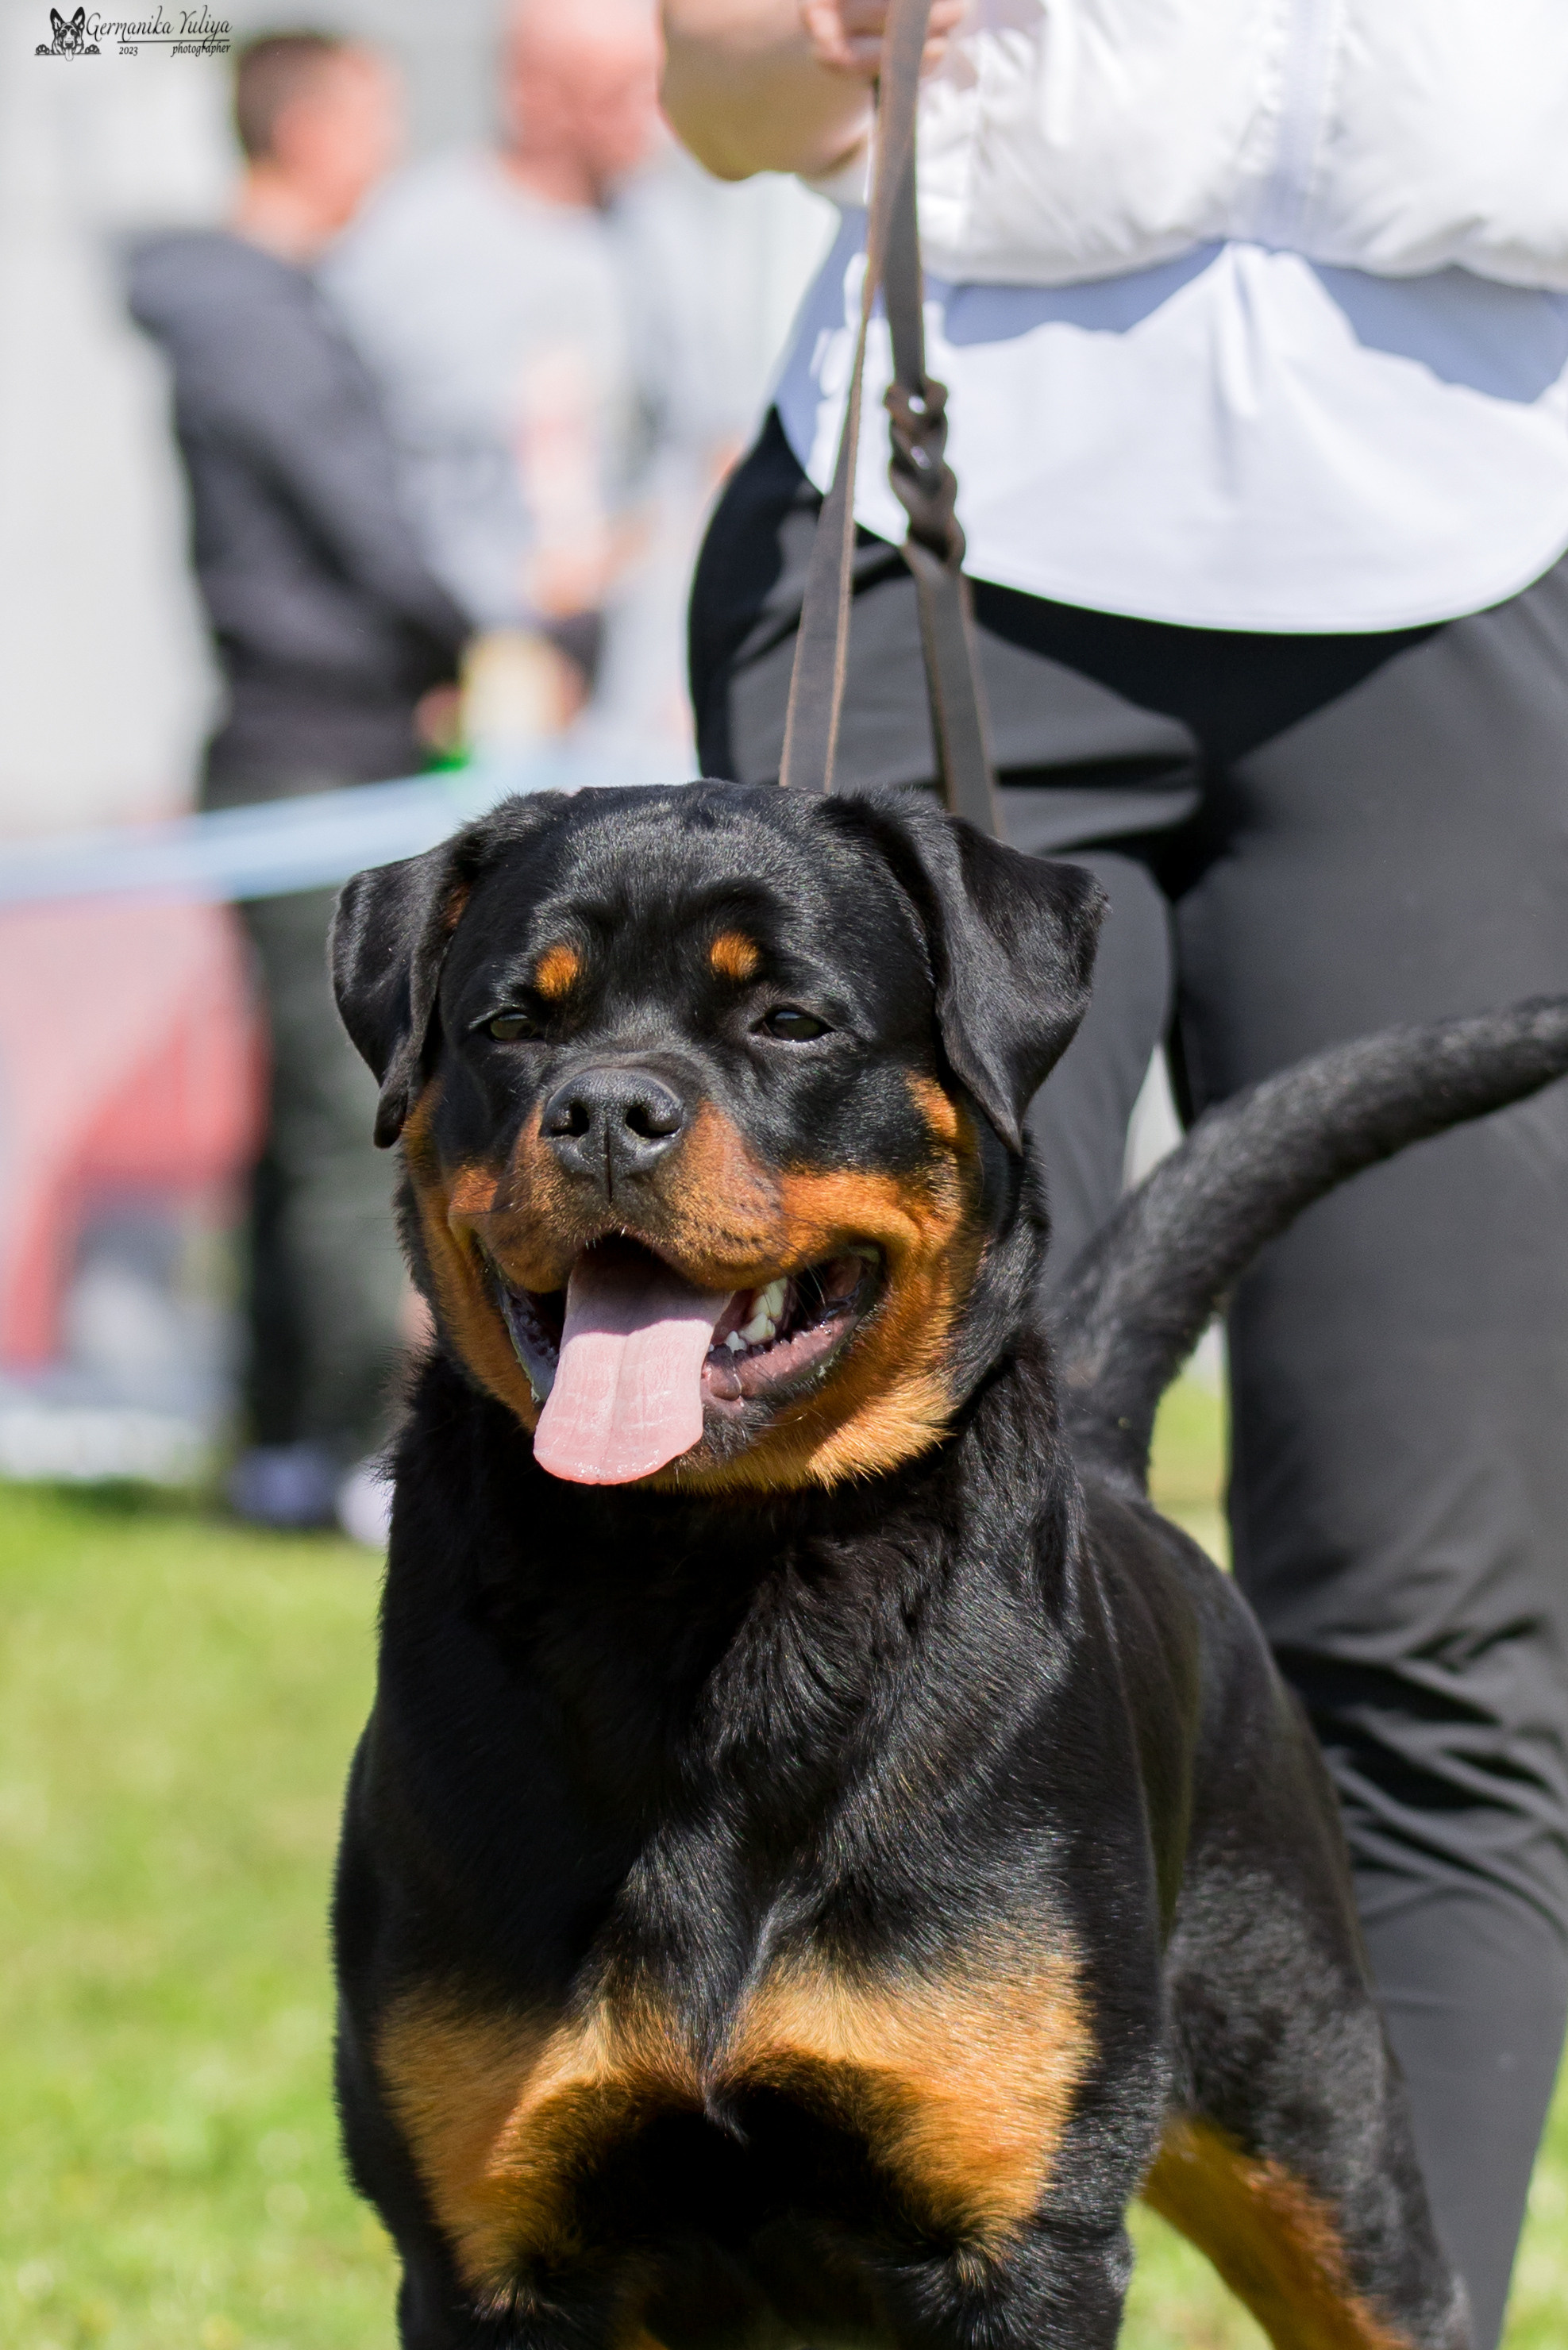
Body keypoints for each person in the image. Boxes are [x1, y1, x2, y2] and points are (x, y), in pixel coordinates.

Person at [663, 5, 1568, 2344]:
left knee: (1432, 1594)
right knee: (854, 1555)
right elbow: (719, 95)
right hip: (937, 520)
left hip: (1492, 554)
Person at [129, 32, 470, 1538]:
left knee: (303, 1110)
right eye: (379, 118)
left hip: (316, 752)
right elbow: (363, 524)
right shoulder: (250, 315)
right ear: (311, 124)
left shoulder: (264, 307)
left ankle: (280, 1441)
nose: (391, 152)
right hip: (314, 757)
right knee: (354, 1117)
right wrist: (481, 624)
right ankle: (353, 1450)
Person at [323, 0, 664, 729]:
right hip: (454, 680)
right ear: (532, 92)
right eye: (617, 91)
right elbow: (349, 479)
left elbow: (701, 444)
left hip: (625, 684)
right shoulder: (401, 249)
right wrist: (456, 639)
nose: (649, 116)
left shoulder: (663, 234)